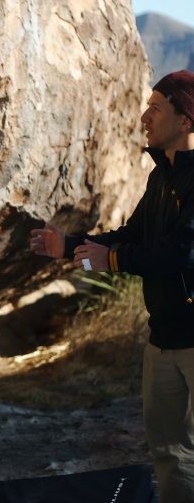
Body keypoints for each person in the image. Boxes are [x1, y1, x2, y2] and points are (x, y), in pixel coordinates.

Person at [30, 70, 194, 502]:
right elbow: (133, 235)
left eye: (156, 108)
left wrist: (114, 260)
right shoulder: (161, 179)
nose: (144, 116)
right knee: (169, 452)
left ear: (186, 120)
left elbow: (183, 252)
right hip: (163, 340)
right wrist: (66, 246)